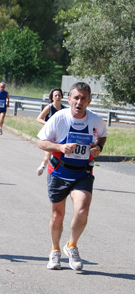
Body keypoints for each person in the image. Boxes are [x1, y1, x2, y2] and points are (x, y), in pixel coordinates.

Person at [37, 82, 107, 271]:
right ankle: (55, 251)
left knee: (82, 211)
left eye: (83, 98)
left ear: (89, 101)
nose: (79, 102)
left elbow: (102, 136)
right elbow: (41, 143)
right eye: (76, 97)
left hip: (82, 173)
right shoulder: (59, 118)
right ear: (69, 99)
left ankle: (72, 246)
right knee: (58, 215)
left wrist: (98, 148)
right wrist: (60, 147)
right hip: (59, 171)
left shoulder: (96, 120)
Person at [36, 88, 65, 175]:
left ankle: (56, 172)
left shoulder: (64, 109)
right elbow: (38, 118)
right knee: (48, 154)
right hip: (48, 135)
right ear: (52, 97)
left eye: (59, 95)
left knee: (59, 156)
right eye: (55, 95)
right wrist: (47, 124)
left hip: (59, 135)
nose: (57, 97)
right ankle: (43, 166)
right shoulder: (49, 107)